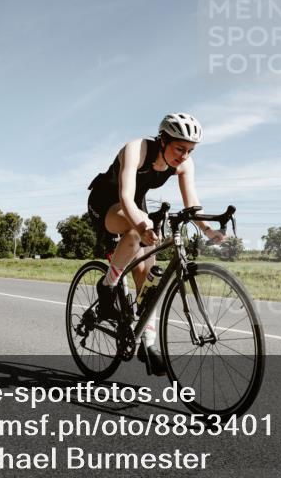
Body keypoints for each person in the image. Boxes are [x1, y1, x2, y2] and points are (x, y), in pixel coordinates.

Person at [87, 112, 225, 375]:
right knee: (137, 231)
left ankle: (148, 344)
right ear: (163, 140)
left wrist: (208, 230)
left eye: (190, 150)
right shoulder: (137, 149)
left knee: (147, 279)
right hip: (106, 202)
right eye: (180, 148)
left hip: (135, 207)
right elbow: (126, 197)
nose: (184, 156)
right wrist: (141, 223)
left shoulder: (184, 164)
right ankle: (107, 287)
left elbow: (192, 206)